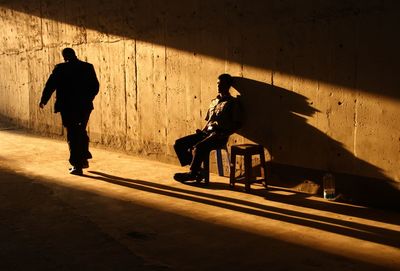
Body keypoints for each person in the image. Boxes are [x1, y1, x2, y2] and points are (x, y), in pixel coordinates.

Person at [39, 48, 99, 175]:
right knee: (81, 130)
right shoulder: (87, 67)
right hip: (84, 106)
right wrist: (88, 98)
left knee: (72, 134)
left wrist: (44, 100)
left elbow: (50, 85)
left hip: (67, 107)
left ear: (64, 57)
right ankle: (84, 157)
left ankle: (77, 165)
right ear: (75, 54)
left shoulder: (60, 68)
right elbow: (95, 86)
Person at [174, 73, 241, 182]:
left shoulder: (232, 103)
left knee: (198, 147)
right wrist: (202, 130)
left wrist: (225, 133)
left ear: (228, 86)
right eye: (218, 84)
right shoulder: (213, 102)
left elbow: (238, 123)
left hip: (219, 135)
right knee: (179, 144)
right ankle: (198, 171)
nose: (218, 86)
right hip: (206, 134)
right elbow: (209, 120)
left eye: (222, 84)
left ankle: (192, 173)